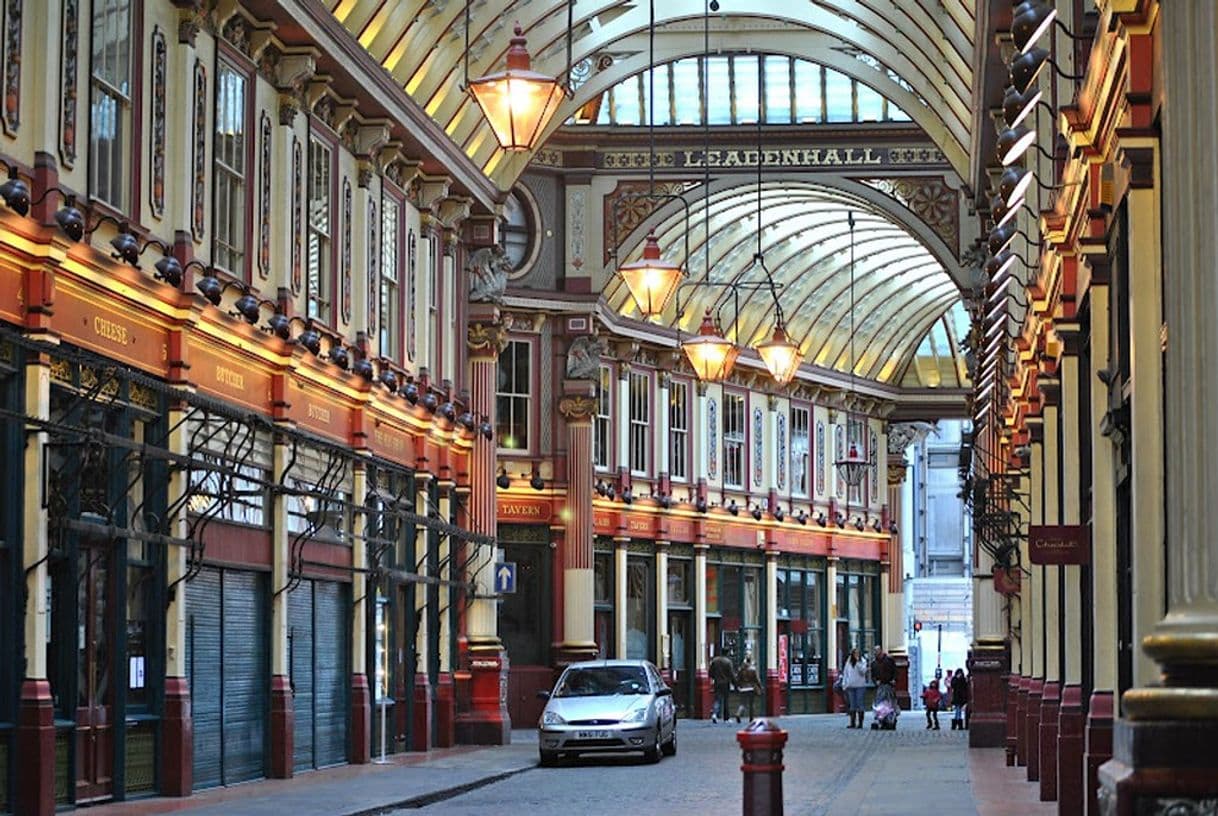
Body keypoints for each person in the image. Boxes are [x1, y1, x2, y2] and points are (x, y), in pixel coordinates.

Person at [840, 647, 868, 728]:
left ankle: (860, 723)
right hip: (850, 686)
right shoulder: (849, 662)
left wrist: (857, 662)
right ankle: (852, 723)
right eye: (854, 653)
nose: (856, 655)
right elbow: (846, 672)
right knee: (852, 704)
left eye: (857, 653)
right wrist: (844, 683)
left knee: (860, 704)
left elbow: (863, 672)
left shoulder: (862, 661)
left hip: (860, 686)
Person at [735, 654, 762, 723]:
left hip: (743, 688)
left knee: (743, 703)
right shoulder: (753, 669)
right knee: (751, 703)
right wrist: (760, 686)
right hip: (751, 688)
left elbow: (737, 679)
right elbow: (756, 679)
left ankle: (738, 713)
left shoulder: (741, 669)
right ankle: (751, 718)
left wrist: (738, 686)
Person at [709, 652, 734, 723]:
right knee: (726, 700)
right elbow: (731, 674)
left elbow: (710, 672)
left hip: (717, 682)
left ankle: (714, 713)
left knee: (717, 699)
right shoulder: (728, 662)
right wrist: (734, 683)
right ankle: (726, 718)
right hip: (725, 683)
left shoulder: (715, 661)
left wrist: (715, 677)